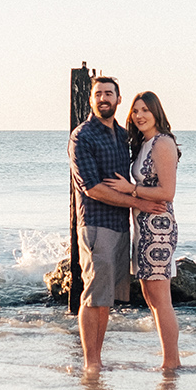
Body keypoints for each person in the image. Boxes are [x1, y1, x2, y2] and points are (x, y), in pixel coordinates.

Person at [103, 91, 181, 370]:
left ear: (156, 112)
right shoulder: (146, 143)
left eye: (146, 110)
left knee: (160, 299)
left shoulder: (162, 143)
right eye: (135, 111)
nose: (139, 115)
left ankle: (171, 363)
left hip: (158, 226)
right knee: (152, 297)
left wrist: (131, 189)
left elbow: (167, 192)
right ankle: (169, 361)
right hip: (143, 225)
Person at [68, 76, 137, 371]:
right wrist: (139, 202)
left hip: (120, 226)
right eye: (98, 94)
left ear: (119, 100)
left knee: (105, 298)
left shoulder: (123, 137)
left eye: (109, 93)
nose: (103, 98)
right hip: (96, 226)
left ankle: (98, 359)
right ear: (90, 100)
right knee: (92, 296)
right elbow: (92, 188)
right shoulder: (82, 136)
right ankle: (90, 363)